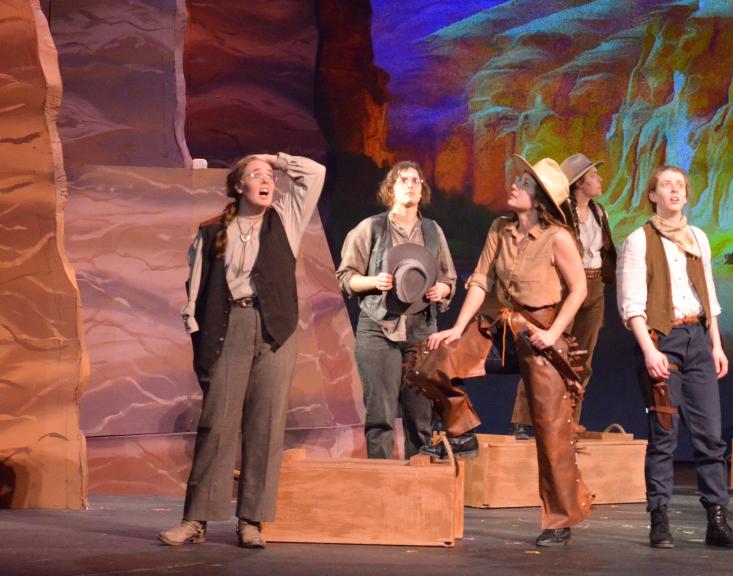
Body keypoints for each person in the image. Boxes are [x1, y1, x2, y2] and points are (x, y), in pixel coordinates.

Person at [412, 156, 591, 547]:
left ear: (540, 198)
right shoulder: (499, 228)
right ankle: (462, 431)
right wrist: (457, 329)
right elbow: (480, 280)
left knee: (550, 428)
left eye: (525, 183)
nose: (515, 185)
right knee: (431, 366)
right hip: (499, 323)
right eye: (520, 179)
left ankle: (560, 519)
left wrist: (554, 333)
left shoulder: (557, 237)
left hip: (540, 328)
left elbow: (579, 290)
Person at [160, 152, 325, 548]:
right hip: (228, 325)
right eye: (256, 175)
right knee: (217, 424)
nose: (267, 180)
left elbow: (315, 173)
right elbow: (195, 288)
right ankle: (196, 519)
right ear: (239, 186)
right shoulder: (213, 229)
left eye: (270, 176)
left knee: (265, 425)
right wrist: (196, 332)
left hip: (275, 330)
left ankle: (251, 520)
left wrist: (274, 158)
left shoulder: (286, 219)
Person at [617, 165, 733, 550]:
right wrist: (649, 350)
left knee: (710, 436)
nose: (674, 191)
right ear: (653, 195)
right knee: (664, 436)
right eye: (666, 185)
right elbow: (630, 304)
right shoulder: (639, 240)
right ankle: (660, 518)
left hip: (698, 338)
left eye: (680, 186)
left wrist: (716, 344)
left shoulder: (698, 238)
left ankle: (717, 520)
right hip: (663, 338)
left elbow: (709, 294)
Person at [336, 162, 456, 460]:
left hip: (420, 332)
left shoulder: (432, 230)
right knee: (381, 414)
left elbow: (448, 278)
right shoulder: (371, 227)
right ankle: (381, 488)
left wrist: (442, 290)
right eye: (404, 180)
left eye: (416, 180)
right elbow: (345, 276)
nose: (411, 184)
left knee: (420, 416)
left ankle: (419, 487)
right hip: (379, 328)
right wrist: (373, 281)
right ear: (391, 189)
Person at [511, 153, 615, 438]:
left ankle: (568, 421)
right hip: (563, 286)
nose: (599, 180)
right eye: (594, 175)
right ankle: (525, 421)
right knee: (545, 351)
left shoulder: (599, 212)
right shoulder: (560, 212)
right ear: (580, 182)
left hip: (593, 288)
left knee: (582, 358)